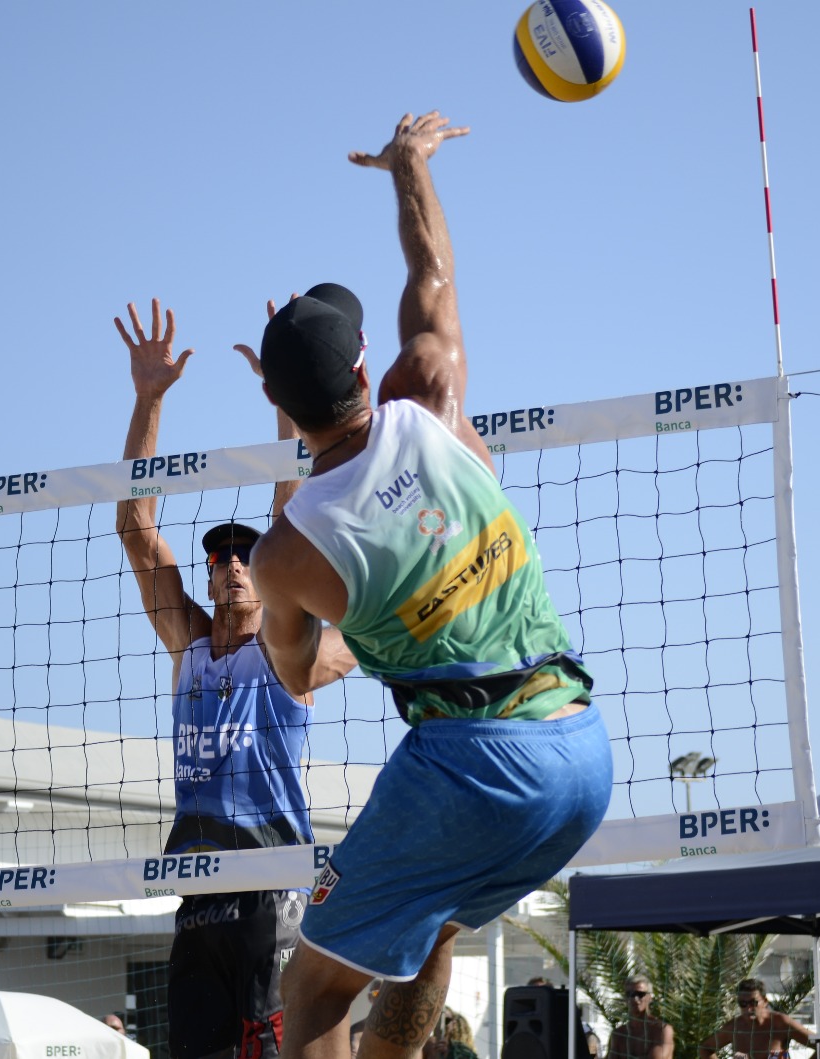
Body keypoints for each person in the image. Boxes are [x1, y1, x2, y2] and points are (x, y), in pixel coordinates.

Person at [251, 110, 612, 1059]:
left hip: (477, 766)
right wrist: (410, 166)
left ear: (274, 404)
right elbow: (431, 276)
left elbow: (292, 674)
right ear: (367, 365)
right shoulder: (434, 394)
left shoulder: (286, 553)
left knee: (314, 976)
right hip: (580, 751)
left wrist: (363, 635)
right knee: (431, 925)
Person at [114, 297, 356, 1059]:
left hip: (273, 886)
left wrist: (284, 406)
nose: (231, 565)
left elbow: (291, 512)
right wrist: (148, 399)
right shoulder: (189, 642)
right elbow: (134, 523)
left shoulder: (285, 646)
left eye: (244, 556)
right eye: (219, 557)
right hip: (199, 894)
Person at [697, 979, 810, 1059]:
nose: (748, 1008)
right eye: (743, 1003)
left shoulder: (781, 1023)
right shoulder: (734, 1028)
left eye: (753, 1003)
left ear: (765, 1001)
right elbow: (705, 1048)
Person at [607, 978, 673, 1059]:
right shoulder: (619, 1034)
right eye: (630, 994)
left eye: (640, 994)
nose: (635, 999)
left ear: (650, 997)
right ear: (625, 999)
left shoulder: (661, 1030)